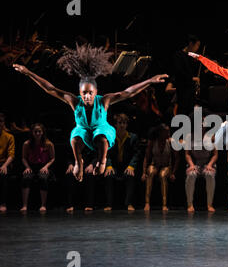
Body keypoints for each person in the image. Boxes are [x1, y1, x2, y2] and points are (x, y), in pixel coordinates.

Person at [13, 43, 168, 182]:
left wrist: (149, 81)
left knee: (100, 136)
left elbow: (128, 92)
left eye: (90, 93)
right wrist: (28, 73)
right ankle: (78, 162)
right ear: (80, 92)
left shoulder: (104, 101)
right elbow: (50, 89)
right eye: (84, 93)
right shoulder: (74, 101)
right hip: (84, 132)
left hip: (103, 132)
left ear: (96, 92)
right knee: (75, 137)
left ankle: (102, 161)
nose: (87, 96)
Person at [104, 113, 141, 211]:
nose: (122, 125)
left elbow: (136, 154)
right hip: (115, 166)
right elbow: (106, 154)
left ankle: (129, 203)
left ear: (127, 125)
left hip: (126, 165)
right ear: (115, 124)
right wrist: (109, 166)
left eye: (124, 123)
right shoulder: (110, 137)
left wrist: (131, 166)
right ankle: (109, 204)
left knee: (130, 175)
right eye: (120, 123)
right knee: (108, 175)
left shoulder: (133, 137)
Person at [142, 123, 179, 211]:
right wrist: (143, 172)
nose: (168, 133)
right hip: (155, 165)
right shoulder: (153, 141)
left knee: (162, 175)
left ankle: (164, 204)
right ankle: (147, 203)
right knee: (150, 172)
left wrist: (173, 173)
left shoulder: (170, 142)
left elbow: (177, 158)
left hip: (166, 166)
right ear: (160, 133)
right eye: (166, 132)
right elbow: (146, 157)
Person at [184, 119, 218, 212]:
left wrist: (210, 165)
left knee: (209, 174)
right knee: (191, 174)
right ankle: (190, 204)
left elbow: (215, 154)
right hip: (195, 163)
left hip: (207, 163)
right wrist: (191, 165)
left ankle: (209, 204)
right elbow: (187, 154)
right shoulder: (189, 136)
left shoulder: (211, 136)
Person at [20, 123, 55, 212]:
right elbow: (23, 158)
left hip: (43, 166)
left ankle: (43, 205)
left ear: (43, 132)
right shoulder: (27, 144)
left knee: (43, 178)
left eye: (39, 131)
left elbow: (52, 158)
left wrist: (46, 167)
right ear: (32, 133)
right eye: (35, 132)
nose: (37, 133)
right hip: (31, 166)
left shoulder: (48, 144)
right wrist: (27, 167)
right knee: (26, 178)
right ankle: (24, 205)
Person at [171, 34, 202, 115]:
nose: (198, 48)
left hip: (190, 92)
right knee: (183, 113)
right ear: (191, 44)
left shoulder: (191, 57)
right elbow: (179, 73)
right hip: (183, 91)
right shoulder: (179, 55)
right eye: (197, 45)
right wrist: (192, 79)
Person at [0, 113, 15, 212]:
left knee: (2, 175)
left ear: (3, 123)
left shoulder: (9, 137)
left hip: (4, 163)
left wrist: (5, 165)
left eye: (0, 121)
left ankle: (2, 202)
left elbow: (11, 155)